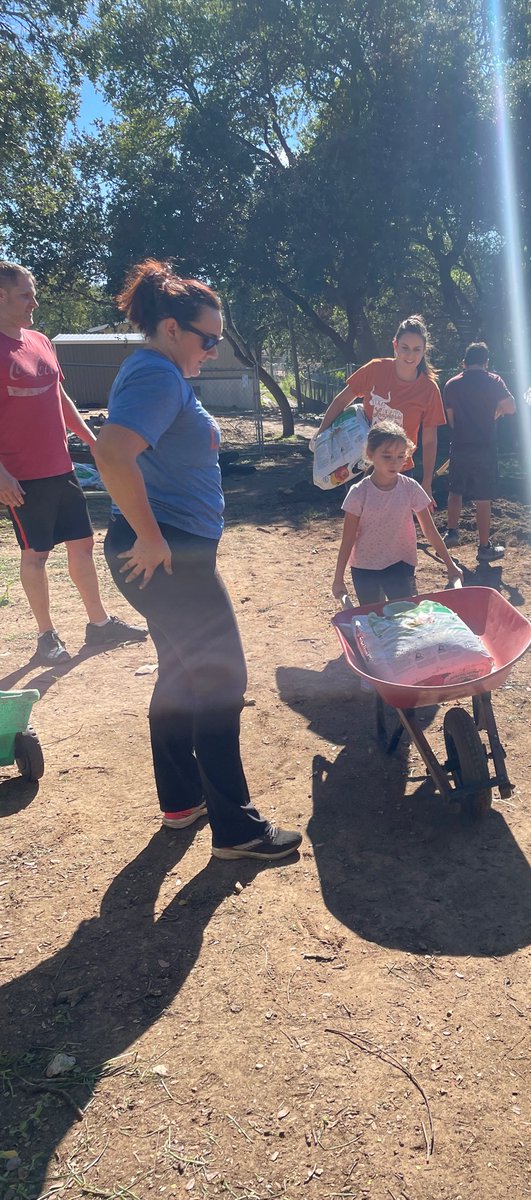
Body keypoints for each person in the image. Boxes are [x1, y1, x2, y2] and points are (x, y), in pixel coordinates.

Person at [93, 259, 301, 862]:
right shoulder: (157, 375)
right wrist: (152, 536)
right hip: (170, 555)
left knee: (183, 674)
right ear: (170, 328)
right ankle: (236, 830)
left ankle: (183, 801)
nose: (213, 350)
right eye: (207, 339)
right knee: (221, 678)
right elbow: (111, 453)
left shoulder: (159, 372)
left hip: (174, 551)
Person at [0, 261, 147, 664]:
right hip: (22, 477)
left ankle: (99, 626)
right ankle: (46, 637)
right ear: (1, 296)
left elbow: (60, 399)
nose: (34, 301)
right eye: (25, 294)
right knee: (36, 555)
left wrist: (93, 441)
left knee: (82, 546)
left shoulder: (40, 341)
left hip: (61, 468)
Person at [314, 315, 445, 504]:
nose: (410, 355)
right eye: (405, 348)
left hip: (399, 468)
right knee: (360, 527)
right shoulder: (375, 369)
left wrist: (426, 483)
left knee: (396, 528)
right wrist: (321, 435)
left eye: (417, 349)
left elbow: (430, 440)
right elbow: (342, 400)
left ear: (424, 350)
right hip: (361, 465)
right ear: (395, 345)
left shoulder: (429, 389)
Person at [332, 421, 463, 605]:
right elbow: (348, 538)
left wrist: (450, 564)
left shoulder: (410, 488)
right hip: (365, 568)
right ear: (371, 454)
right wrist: (338, 578)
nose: (395, 463)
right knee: (375, 618)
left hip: (400, 564)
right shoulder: (359, 493)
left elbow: (429, 531)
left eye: (400, 456)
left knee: (407, 617)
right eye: (387, 456)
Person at [441, 342, 516, 562]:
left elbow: (451, 419)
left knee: (455, 492)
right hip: (485, 447)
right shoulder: (494, 381)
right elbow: (511, 407)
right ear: (486, 362)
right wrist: (497, 412)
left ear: (464, 362)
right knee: (483, 499)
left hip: (460, 445)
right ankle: (484, 548)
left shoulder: (451, 385)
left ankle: (452, 532)